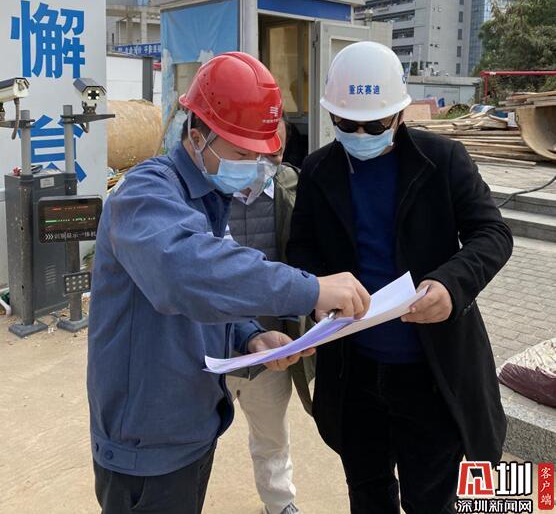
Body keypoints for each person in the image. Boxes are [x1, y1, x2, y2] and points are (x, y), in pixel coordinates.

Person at [87, 51, 370, 514]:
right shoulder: (146, 192)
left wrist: (250, 336)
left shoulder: (209, 197)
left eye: (261, 155)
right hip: (147, 440)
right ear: (197, 137)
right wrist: (312, 289)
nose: (254, 167)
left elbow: (211, 296)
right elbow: (186, 273)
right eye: (241, 153)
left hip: (192, 423)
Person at [287, 41, 513, 514]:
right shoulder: (318, 169)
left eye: (374, 125)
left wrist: (451, 284)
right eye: (346, 124)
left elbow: (492, 233)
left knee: (430, 498)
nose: (360, 134)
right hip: (353, 369)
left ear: (401, 114)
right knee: (368, 493)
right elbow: (302, 249)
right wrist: (318, 293)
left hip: (429, 371)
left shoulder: (442, 160)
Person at [226, 118, 312, 514]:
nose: (266, 162)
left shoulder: (293, 189)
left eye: (276, 153)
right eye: (257, 151)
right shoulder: (204, 194)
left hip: (271, 347)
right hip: (211, 343)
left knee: (272, 435)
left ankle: (280, 504)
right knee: (194, 438)